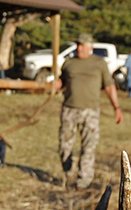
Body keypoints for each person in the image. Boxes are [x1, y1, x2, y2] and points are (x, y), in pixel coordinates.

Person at [52, 32, 123, 189]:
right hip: (69, 109)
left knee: (89, 145)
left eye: (82, 45)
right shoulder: (68, 63)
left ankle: (84, 179)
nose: (79, 48)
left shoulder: (99, 63)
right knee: (65, 145)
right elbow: (63, 83)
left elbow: (109, 86)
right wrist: (58, 85)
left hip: (90, 111)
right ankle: (68, 173)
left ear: (90, 47)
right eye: (78, 44)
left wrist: (116, 108)